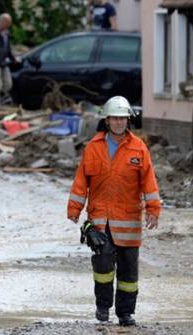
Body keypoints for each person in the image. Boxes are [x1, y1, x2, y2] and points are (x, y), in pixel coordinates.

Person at [67, 96, 161, 326]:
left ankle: (125, 313)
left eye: (122, 118)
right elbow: (81, 181)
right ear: (107, 120)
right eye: (114, 118)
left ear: (128, 120)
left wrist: (153, 208)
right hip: (100, 219)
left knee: (129, 273)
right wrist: (74, 208)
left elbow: (149, 182)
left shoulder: (138, 148)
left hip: (128, 220)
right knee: (103, 264)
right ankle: (102, 306)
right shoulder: (93, 148)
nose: (119, 122)